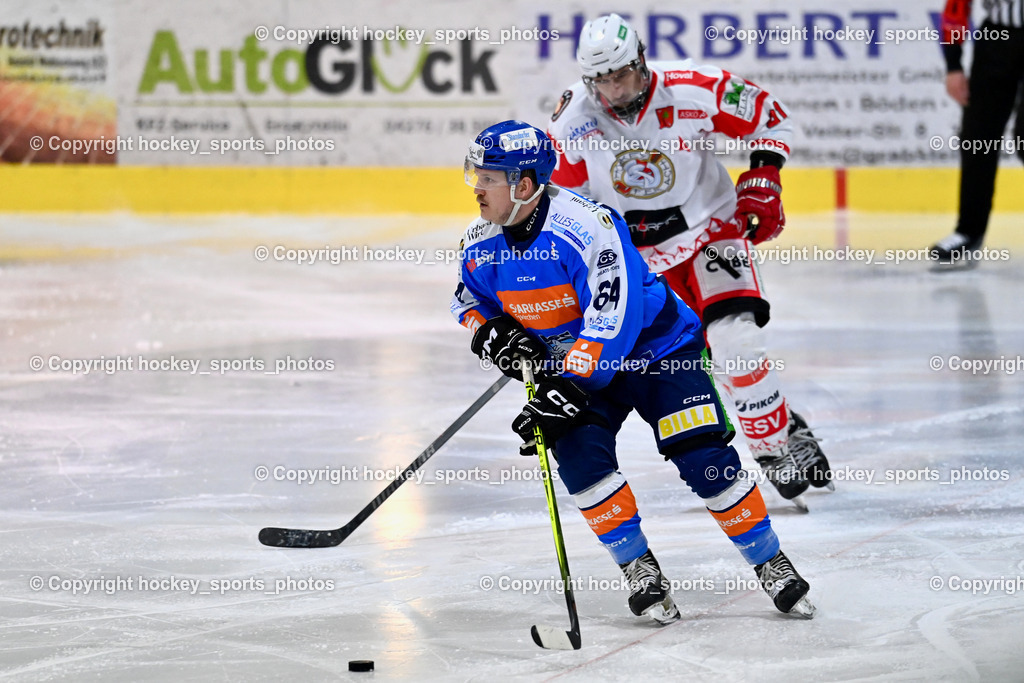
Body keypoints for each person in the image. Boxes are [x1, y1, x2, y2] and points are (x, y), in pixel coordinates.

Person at [450, 119, 816, 621]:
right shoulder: (479, 241)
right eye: (477, 175)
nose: (477, 187)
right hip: (577, 365)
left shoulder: (587, 228)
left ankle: (770, 562)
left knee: (701, 454)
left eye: (487, 177)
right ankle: (638, 567)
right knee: (577, 456)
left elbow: (611, 322)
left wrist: (567, 385)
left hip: (656, 350)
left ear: (525, 184)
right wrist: (492, 334)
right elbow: (468, 301)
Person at [546, 14, 831, 505]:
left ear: (641, 60)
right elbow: (568, 206)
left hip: (710, 230)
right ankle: (785, 425)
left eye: (622, 74)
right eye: (602, 80)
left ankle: (773, 448)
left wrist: (765, 178)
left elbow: (769, 115)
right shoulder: (573, 120)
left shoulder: (694, 86)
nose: (614, 89)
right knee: (704, 360)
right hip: (638, 259)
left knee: (735, 343)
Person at [930, 0, 1024, 264]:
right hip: (998, 38)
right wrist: (953, 65)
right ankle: (968, 232)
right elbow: (957, 6)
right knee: (977, 138)